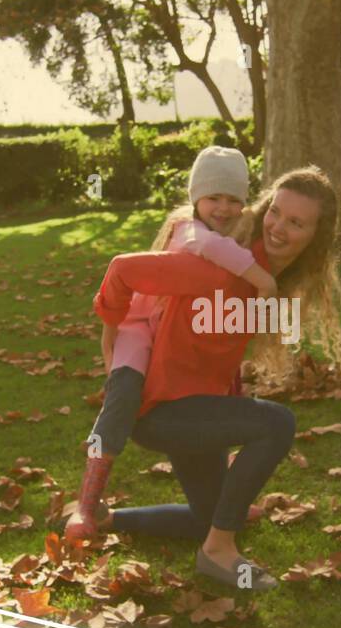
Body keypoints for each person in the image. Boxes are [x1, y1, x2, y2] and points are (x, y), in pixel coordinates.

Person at [68, 166, 341, 591]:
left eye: (296, 222)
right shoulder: (222, 267)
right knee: (277, 423)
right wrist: (111, 334)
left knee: (211, 514)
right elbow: (123, 269)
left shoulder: (264, 277)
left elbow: (218, 352)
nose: (279, 227)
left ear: (316, 236)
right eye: (275, 213)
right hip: (162, 410)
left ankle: (107, 518)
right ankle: (218, 552)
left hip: (194, 407)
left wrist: (228, 407)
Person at [66, 146, 276, 541]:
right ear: (196, 197)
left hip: (169, 333)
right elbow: (210, 251)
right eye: (214, 197)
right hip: (138, 328)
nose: (224, 208)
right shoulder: (191, 232)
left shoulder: (221, 235)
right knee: (124, 393)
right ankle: (87, 502)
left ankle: (223, 496)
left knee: (226, 385)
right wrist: (264, 280)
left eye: (234, 200)